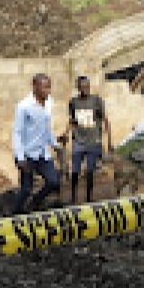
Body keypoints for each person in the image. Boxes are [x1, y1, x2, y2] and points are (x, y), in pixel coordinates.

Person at [11, 73, 61, 213]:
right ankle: (14, 213)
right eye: (44, 87)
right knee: (26, 189)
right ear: (35, 87)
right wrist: (20, 158)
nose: (48, 91)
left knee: (53, 182)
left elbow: (46, 128)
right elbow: (17, 132)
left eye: (49, 87)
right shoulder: (24, 106)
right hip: (27, 154)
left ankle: (35, 203)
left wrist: (55, 145)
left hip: (43, 152)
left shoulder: (49, 102)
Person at [67, 75, 112, 204]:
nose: (85, 89)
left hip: (93, 141)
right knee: (75, 171)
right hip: (78, 141)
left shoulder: (97, 101)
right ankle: (73, 197)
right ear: (78, 88)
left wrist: (109, 141)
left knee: (90, 171)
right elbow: (72, 120)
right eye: (82, 87)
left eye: (87, 86)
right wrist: (66, 133)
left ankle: (89, 197)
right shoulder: (73, 102)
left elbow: (105, 120)